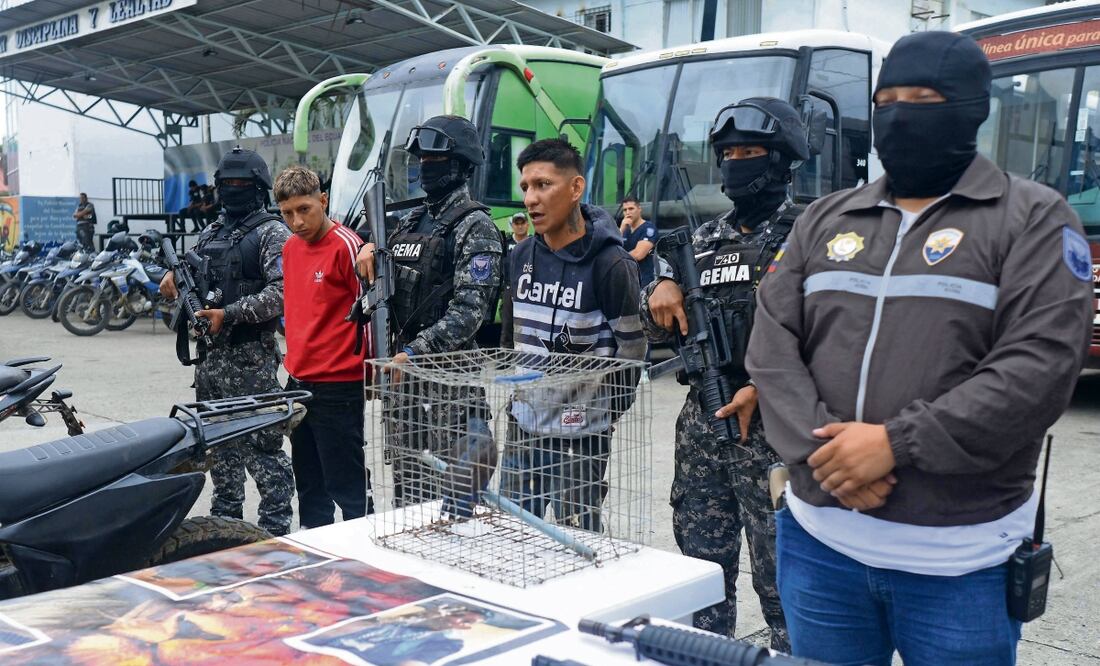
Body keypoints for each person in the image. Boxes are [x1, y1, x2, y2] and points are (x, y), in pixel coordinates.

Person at [746, 32, 1094, 666]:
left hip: (963, 566)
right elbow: (772, 347)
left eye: (924, 98)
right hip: (820, 549)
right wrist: (828, 456)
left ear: (971, 108)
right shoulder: (824, 219)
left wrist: (892, 445)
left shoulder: (1034, 218)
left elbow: (1038, 369)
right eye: (888, 98)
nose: (901, 112)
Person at [640, 97, 807, 649]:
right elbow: (664, 329)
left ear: (781, 160)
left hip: (775, 432)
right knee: (702, 577)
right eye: (728, 153)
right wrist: (658, 291)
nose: (736, 162)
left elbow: (834, 336)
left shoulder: (810, 235)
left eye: (750, 151)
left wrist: (765, 387)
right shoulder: (703, 242)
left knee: (786, 585)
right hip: (705, 427)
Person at [354, 115, 503, 506]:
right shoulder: (409, 220)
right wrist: (368, 249)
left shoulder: (476, 226)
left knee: (457, 499)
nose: (424, 167)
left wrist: (415, 352)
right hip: (403, 385)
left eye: (434, 160)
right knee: (409, 494)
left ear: (461, 165)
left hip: (449, 386)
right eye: (421, 159)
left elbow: (470, 311)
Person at [501, 138, 646, 530]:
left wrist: (603, 413)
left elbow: (631, 351)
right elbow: (509, 339)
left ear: (576, 188)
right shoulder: (519, 256)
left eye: (544, 185)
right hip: (522, 426)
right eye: (526, 187)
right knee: (513, 535)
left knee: (577, 539)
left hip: (580, 436)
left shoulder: (611, 264)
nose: (531, 199)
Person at [159, 147, 295, 536]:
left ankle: (274, 531)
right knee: (219, 448)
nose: (232, 191)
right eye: (226, 185)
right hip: (210, 362)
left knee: (265, 450)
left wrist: (229, 314)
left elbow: (283, 292)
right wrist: (172, 281)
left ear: (258, 188)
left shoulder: (273, 232)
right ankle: (227, 525)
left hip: (250, 359)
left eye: (241, 185)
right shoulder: (211, 232)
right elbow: (190, 279)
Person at [276, 165, 372, 528]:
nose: (297, 221)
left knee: (347, 485)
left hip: (339, 384)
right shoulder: (289, 248)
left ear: (323, 200)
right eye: (287, 213)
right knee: (310, 487)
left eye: (305, 209)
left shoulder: (348, 246)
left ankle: (365, 554)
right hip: (299, 383)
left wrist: (372, 372)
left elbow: (371, 312)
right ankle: (319, 560)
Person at [498, 211, 530, 348]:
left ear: (528, 225)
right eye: (517, 223)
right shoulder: (506, 243)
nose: (520, 226)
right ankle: (504, 362)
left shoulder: (533, 243)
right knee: (507, 326)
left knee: (528, 326)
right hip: (509, 288)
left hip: (530, 289)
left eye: (522, 222)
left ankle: (525, 358)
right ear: (512, 225)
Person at [619, 197, 656, 286]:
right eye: (625, 210)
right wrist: (621, 229)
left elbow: (639, 254)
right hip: (625, 279)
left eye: (631, 208)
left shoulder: (648, 228)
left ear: (639, 209)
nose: (628, 212)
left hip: (643, 281)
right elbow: (611, 248)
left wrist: (617, 258)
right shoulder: (624, 230)